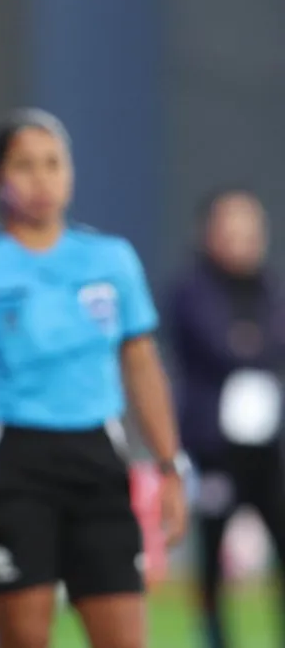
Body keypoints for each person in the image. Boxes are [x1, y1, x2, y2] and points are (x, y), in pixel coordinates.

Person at [0, 108, 189, 648]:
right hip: (13, 463)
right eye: (25, 166)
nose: (42, 180)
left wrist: (170, 466)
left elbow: (142, 365)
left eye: (54, 164)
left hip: (98, 459)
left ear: (71, 173)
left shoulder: (112, 260)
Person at [166, 189, 285, 648]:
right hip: (214, 446)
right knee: (211, 555)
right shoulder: (192, 289)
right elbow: (216, 343)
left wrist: (249, 341)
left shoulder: (269, 287)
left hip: (267, 445)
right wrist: (246, 343)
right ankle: (215, 639)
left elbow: (273, 341)